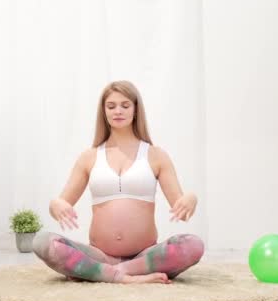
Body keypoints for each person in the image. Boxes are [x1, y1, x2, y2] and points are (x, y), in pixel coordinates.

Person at [33, 80, 204, 284]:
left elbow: (180, 207)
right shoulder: (89, 157)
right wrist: (55, 205)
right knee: (42, 242)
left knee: (194, 245)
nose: (118, 111)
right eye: (111, 106)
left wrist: (191, 199)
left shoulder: (156, 155)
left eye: (125, 105)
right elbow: (62, 204)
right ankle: (121, 276)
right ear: (103, 111)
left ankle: (108, 273)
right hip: (99, 255)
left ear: (135, 110)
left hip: (144, 257)